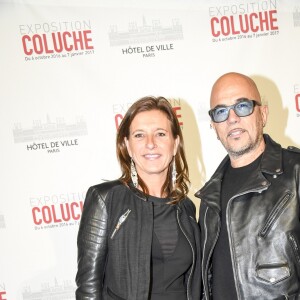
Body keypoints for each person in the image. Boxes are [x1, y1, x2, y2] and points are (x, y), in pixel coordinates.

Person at [75, 96, 201, 300]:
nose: (150, 144)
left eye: (160, 134)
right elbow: (88, 287)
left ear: (175, 143)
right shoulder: (106, 199)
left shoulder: (185, 207)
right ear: (127, 145)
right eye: (139, 135)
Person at [196, 72, 300, 299]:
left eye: (242, 106)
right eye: (221, 111)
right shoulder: (208, 197)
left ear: (263, 114)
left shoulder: (295, 172)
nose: (232, 118)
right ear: (214, 125)